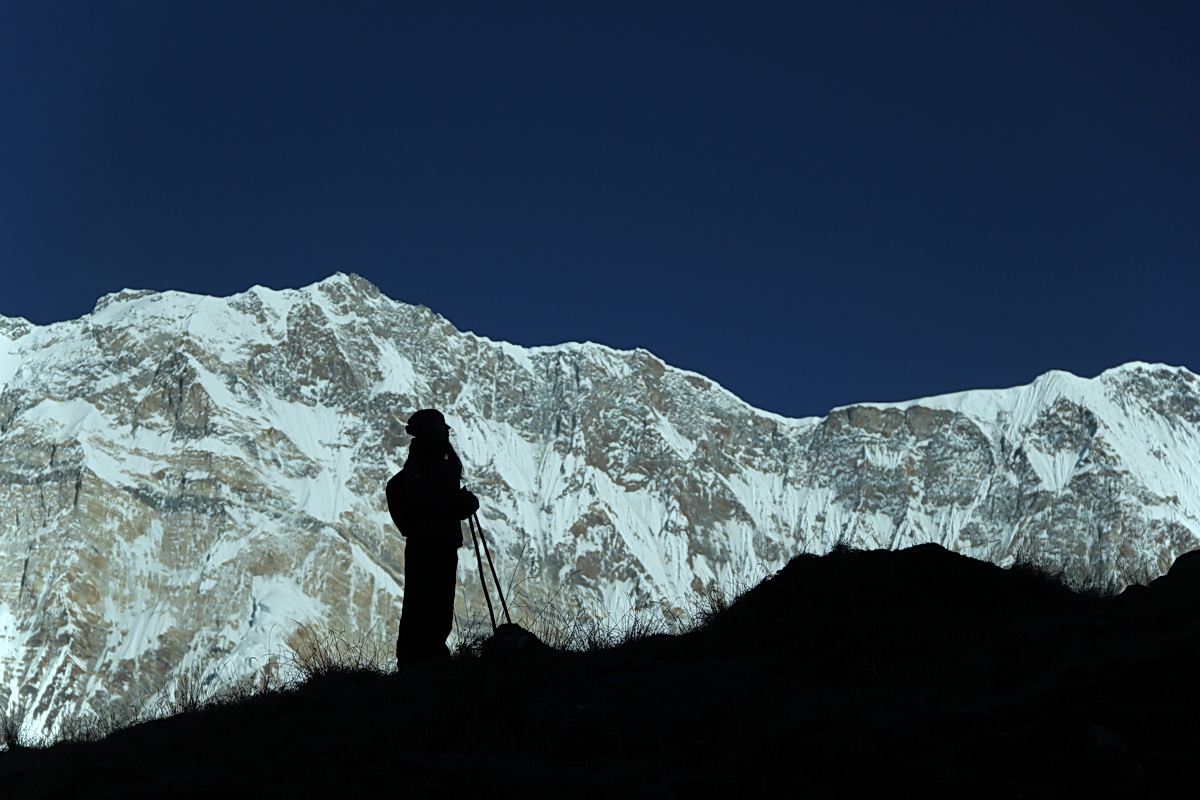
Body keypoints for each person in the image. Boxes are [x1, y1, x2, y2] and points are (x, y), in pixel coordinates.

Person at [387, 409, 479, 666]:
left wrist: (457, 503)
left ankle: (427, 655)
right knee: (426, 601)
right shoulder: (422, 464)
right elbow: (421, 502)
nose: (447, 429)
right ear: (430, 431)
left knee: (433, 601)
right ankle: (419, 657)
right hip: (430, 543)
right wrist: (458, 503)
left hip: (437, 541)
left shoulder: (433, 463)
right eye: (441, 426)